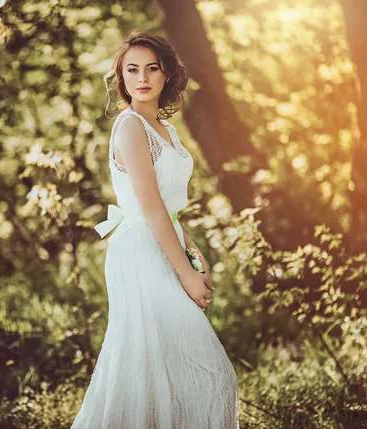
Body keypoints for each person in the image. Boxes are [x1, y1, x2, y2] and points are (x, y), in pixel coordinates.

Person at [71, 30, 240, 429]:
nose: (142, 77)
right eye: (132, 70)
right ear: (122, 78)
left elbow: (170, 207)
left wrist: (194, 256)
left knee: (162, 372)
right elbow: (148, 204)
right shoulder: (130, 127)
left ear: (167, 75)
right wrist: (184, 273)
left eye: (152, 68)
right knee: (208, 372)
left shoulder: (169, 131)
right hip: (139, 251)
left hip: (165, 242)